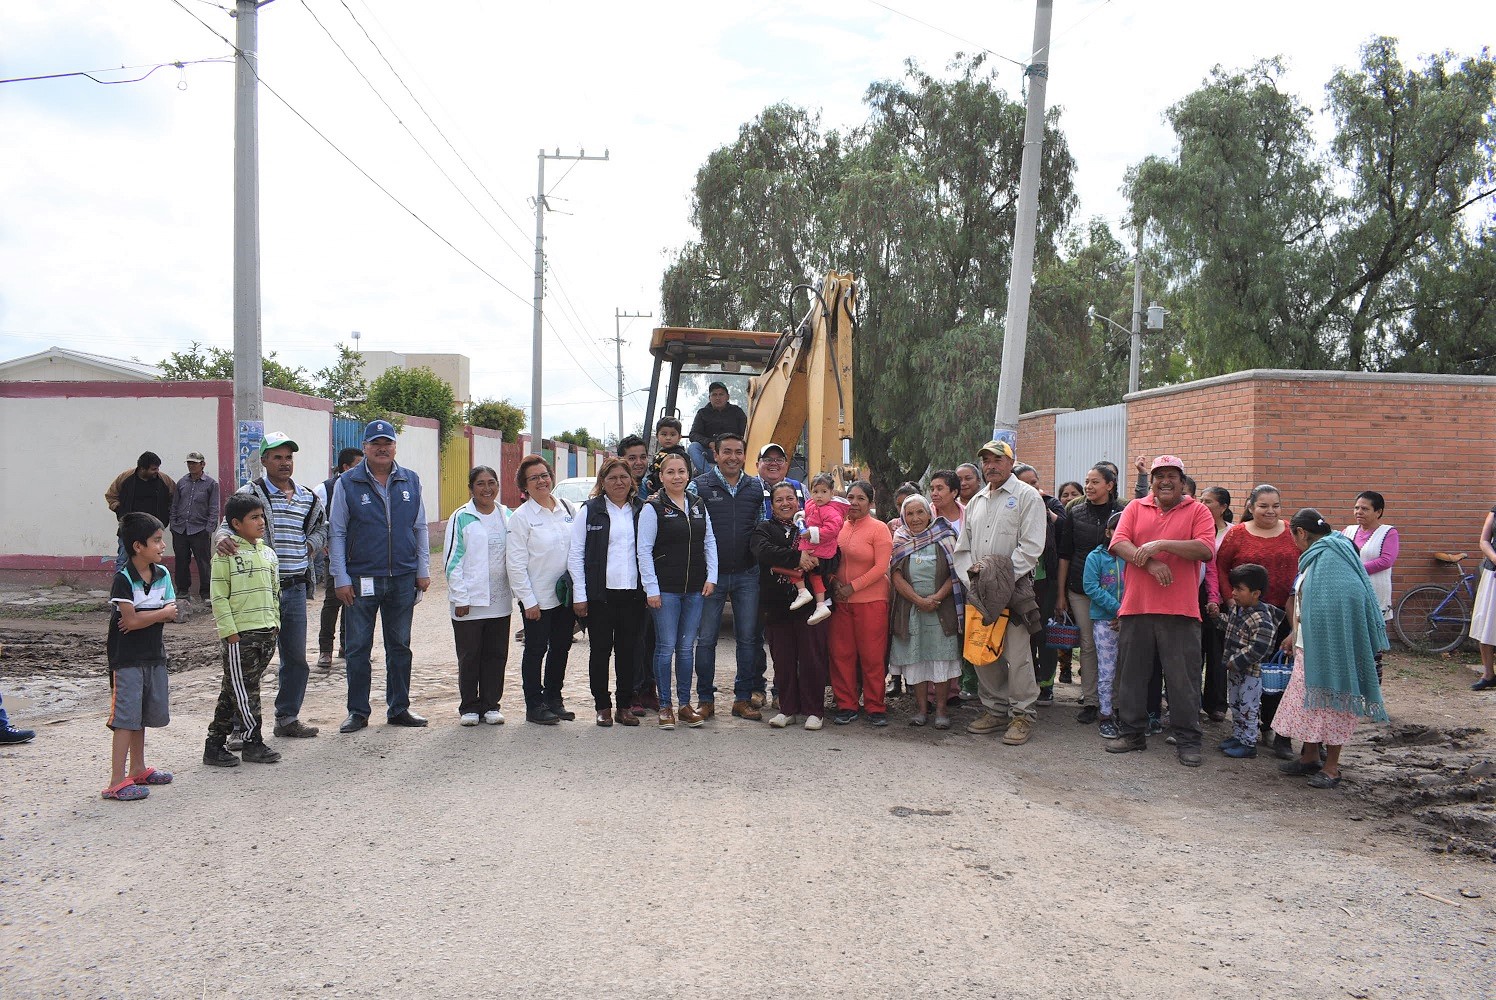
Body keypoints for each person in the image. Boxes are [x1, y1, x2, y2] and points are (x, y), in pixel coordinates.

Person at [213, 432, 327, 742]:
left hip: (293, 590)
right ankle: (239, 727)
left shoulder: (307, 497)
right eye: (276, 457)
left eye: (288, 457)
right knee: (250, 662)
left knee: (295, 659)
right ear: (264, 461)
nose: (284, 462)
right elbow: (225, 527)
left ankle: (287, 718)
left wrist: (311, 547)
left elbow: (320, 529)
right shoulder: (250, 495)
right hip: (257, 593)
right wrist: (221, 540)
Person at [1105, 455, 1216, 766]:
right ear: (1151, 480)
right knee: (1132, 677)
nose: (1165, 481)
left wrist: (1163, 544)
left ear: (1182, 481)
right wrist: (1151, 562)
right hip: (1136, 608)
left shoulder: (1198, 510)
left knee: (1183, 681)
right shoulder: (1135, 508)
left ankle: (1188, 741)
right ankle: (1132, 734)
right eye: (1159, 475)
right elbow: (1119, 542)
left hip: (1180, 611)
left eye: (1172, 475)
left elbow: (1206, 549)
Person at [1274, 509, 1389, 788]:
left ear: (1301, 533)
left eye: (1294, 537)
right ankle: (1310, 757)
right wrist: (1295, 633)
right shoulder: (1318, 556)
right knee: (1310, 704)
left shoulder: (1331, 557)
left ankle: (1332, 767)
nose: (1294, 543)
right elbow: (1307, 602)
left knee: (1334, 704)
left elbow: (1345, 600)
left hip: (1333, 648)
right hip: (1308, 646)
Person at [330, 419, 431, 733]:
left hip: (402, 576)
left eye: (387, 442)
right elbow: (337, 533)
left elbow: (420, 527)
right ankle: (358, 712)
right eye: (375, 444)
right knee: (358, 648)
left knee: (400, 646)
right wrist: (341, 578)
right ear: (365, 448)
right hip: (361, 579)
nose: (382, 448)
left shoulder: (411, 481)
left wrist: (423, 570)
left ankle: (399, 708)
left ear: (394, 447)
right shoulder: (347, 483)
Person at [953, 441, 1046, 745]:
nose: (991, 465)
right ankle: (994, 709)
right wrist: (975, 583)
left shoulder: (1027, 497)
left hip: (1015, 589)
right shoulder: (977, 500)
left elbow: (1031, 547)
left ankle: (1022, 715)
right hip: (979, 590)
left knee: (1017, 655)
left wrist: (999, 580)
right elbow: (962, 549)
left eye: (997, 459)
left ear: (1011, 461)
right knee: (984, 652)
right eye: (986, 460)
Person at [1210, 484, 1300, 758]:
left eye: (1275, 505)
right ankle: (1244, 732)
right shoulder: (1237, 534)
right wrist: (1230, 600)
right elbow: (1221, 567)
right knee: (1247, 680)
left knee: (1280, 675)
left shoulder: (1291, 532)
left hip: (1283, 614)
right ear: (1250, 507)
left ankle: (1277, 733)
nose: (1270, 511)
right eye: (1263, 506)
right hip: (1246, 615)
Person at [637, 453, 718, 729]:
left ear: (689, 474)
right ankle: (665, 707)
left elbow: (710, 542)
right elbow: (644, 551)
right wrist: (651, 589)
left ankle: (684, 705)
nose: (676, 477)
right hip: (665, 591)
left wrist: (712, 577)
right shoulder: (654, 508)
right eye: (670, 472)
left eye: (681, 471)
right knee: (666, 647)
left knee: (686, 648)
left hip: (695, 588)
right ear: (661, 477)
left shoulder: (698, 504)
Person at [203, 495, 282, 767]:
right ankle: (252, 741)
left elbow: (274, 591)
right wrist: (230, 633)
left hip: (267, 633)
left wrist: (275, 624)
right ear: (236, 524)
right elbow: (219, 597)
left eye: (262, 516)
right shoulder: (225, 555)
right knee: (247, 692)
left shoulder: (268, 553)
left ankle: (214, 744)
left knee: (233, 689)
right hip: (241, 637)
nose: (261, 522)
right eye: (254, 518)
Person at [102, 512, 177, 801]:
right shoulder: (123, 579)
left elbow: (171, 612)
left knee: (142, 715)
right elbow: (130, 623)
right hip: (127, 659)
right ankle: (116, 781)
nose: (162, 546)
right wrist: (157, 614)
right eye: (157, 541)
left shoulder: (163, 574)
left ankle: (138, 768)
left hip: (153, 655)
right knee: (125, 718)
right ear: (138, 546)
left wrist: (146, 616)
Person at [689, 433, 763, 721]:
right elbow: (692, 529)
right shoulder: (700, 486)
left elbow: (760, 528)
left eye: (738, 452)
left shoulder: (755, 487)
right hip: (712, 577)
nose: (733, 457)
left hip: (747, 574)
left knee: (748, 640)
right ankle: (705, 699)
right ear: (715, 455)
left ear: (745, 455)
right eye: (727, 452)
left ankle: (742, 699)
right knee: (706, 640)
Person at [568, 458, 645, 727]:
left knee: (628, 653)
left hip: (633, 595)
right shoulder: (589, 511)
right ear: (603, 482)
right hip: (600, 596)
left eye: (624, 477)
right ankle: (602, 705)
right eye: (612, 478)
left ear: (631, 481)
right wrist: (580, 595)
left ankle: (625, 705)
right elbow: (576, 554)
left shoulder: (640, 510)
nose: (619, 482)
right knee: (600, 652)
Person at [506, 454, 578, 726]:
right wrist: (528, 600)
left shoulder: (568, 508)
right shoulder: (521, 518)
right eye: (533, 478)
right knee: (536, 650)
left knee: (562, 646)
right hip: (537, 598)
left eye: (544, 475)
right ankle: (534, 705)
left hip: (566, 597)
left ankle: (554, 699)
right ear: (524, 485)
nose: (541, 481)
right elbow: (515, 563)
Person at [752, 483, 829, 730]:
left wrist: (815, 561)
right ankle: (787, 708)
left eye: (790, 499)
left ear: (798, 501)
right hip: (776, 606)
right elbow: (763, 551)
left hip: (811, 609)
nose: (785, 503)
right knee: (783, 660)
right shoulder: (763, 529)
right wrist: (797, 557)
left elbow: (830, 553)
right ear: (771, 504)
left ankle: (814, 710)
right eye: (779, 500)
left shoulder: (812, 526)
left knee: (812, 659)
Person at [888, 494, 964, 730]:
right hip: (911, 610)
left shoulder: (946, 536)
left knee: (940, 660)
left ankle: (941, 710)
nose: (915, 518)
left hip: (941, 610)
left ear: (930, 514)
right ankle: (921, 710)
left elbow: (956, 572)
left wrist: (936, 598)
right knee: (916, 660)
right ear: (903, 517)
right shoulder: (900, 539)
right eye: (909, 513)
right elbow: (896, 575)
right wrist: (918, 600)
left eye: (920, 512)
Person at [444, 466, 511, 728]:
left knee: (496, 655)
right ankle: (470, 706)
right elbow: (452, 561)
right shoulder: (461, 517)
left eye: (491, 483)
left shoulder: (506, 515)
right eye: (480, 484)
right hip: (469, 602)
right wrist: (460, 597)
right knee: (470, 655)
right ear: (471, 488)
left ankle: (491, 705)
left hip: (499, 601)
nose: (487, 489)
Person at [1057, 465, 1124, 725]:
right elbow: (1065, 553)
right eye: (1087, 481)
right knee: (1088, 645)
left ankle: (1114, 701)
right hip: (1080, 589)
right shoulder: (1076, 511)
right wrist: (1061, 594)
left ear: (1110, 484)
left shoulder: (1123, 511)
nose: (1089, 486)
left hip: (1116, 592)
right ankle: (1091, 700)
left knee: (1114, 647)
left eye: (1095, 482)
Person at [828, 480, 894, 726]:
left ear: (870, 502)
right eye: (850, 498)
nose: (854, 503)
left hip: (871, 601)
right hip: (840, 601)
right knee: (840, 654)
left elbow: (881, 567)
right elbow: (828, 557)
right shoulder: (837, 527)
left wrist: (852, 587)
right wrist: (834, 582)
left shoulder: (879, 529)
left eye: (860, 499)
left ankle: (876, 706)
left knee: (872, 657)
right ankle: (846, 704)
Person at [1218, 563, 1284, 759]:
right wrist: (1216, 618)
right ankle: (1238, 737)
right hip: (1236, 670)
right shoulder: (1238, 610)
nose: (1234, 593)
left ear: (1256, 593)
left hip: (1251, 674)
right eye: (1234, 588)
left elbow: (1259, 649)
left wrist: (1235, 661)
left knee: (1249, 706)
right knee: (1236, 704)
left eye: (1239, 589)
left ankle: (1248, 742)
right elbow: (1229, 626)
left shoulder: (1262, 619)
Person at [1014, 463, 1067, 704]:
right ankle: (1023, 682)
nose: (1033, 487)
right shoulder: (1010, 507)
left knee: (1044, 633)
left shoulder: (1051, 504)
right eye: (1026, 484)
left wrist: (1044, 511)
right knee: (1021, 635)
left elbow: (1066, 528)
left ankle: (1046, 684)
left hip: (1045, 582)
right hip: (1018, 582)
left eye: (1034, 482)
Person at [1343, 491, 1399, 683]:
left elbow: (1386, 560)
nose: (1359, 512)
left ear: (1378, 512)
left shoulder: (1388, 532)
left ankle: (1374, 697)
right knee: (1351, 647)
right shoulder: (1348, 531)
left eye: (1365, 509)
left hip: (1375, 595)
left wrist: (1357, 569)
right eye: (1356, 507)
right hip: (1351, 595)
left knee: (1372, 648)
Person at [314, 447, 363, 669]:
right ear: (346, 467)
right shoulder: (324, 489)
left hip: (358, 555)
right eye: (358, 464)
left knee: (355, 602)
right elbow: (316, 521)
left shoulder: (364, 486)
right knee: (332, 601)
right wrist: (324, 543)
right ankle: (325, 649)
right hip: (334, 554)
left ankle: (347, 646)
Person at [1083, 511, 1126, 739]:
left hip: (1131, 620)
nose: (1120, 533)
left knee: (1128, 671)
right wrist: (1118, 610)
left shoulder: (1133, 557)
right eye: (1115, 529)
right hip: (1105, 621)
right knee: (1107, 670)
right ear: (1108, 532)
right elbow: (1091, 587)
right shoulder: (1095, 557)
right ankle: (1106, 715)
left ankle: (1126, 713)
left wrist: (1127, 613)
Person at [787, 473, 845, 625]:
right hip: (813, 545)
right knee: (815, 575)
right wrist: (801, 517)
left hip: (820, 547)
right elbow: (808, 514)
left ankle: (802, 592)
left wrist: (812, 533)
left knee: (796, 566)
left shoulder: (831, 510)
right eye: (815, 491)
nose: (819, 496)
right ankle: (820, 604)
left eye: (824, 492)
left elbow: (833, 529)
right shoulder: (812, 504)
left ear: (832, 493)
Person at [1197, 486, 1235, 722]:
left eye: (1208, 501)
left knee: (1217, 651)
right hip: (1198, 594)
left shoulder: (1232, 533)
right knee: (1194, 651)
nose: (1202, 504)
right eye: (1201, 499)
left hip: (1223, 598)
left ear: (1223, 507)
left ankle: (1216, 703)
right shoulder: (1195, 527)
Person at [105, 452, 176, 571]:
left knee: (151, 562)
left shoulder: (164, 480)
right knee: (123, 560)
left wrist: (167, 515)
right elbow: (111, 495)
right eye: (153, 469)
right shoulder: (126, 478)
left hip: (153, 530)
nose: (157, 471)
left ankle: (147, 588)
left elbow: (175, 498)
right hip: (129, 528)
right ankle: (121, 588)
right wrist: (121, 512)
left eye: (158, 468)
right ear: (142, 468)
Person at [168, 451, 218, 606]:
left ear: (202, 464)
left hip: (200, 529)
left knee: (203, 562)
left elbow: (214, 507)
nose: (191, 466)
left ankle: (206, 593)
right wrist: (173, 523)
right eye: (189, 463)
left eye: (194, 463)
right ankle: (182, 591)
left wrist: (209, 528)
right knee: (181, 561)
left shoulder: (211, 484)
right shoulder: (182, 482)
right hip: (181, 528)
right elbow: (175, 504)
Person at [687, 381, 747, 473]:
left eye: (721, 394)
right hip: (710, 451)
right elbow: (693, 434)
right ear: (709, 398)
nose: (718, 398)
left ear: (727, 397)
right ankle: (711, 475)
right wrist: (709, 443)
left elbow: (746, 432)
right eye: (714, 395)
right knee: (693, 447)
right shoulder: (702, 413)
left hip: (732, 451)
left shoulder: (737, 412)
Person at [1470, 503, 1496, 691]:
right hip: (1493, 573)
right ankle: (1488, 674)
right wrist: (1495, 558)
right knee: (1486, 620)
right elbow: (1484, 541)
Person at [646, 417, 693, 495]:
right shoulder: (658, 455)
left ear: (679, 437)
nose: (668, 438)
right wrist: (650, 479)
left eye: (672, 434)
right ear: (657, 436)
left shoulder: (681, 456)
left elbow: (687, 477)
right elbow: (653, 471)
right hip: (656, 492)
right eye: (664, 434)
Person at [616, 434, 652, 503]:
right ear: (620, 460)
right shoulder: (613, 492)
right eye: (632, 458)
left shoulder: (652, 486)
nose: (639, 462)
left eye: (643, 457)